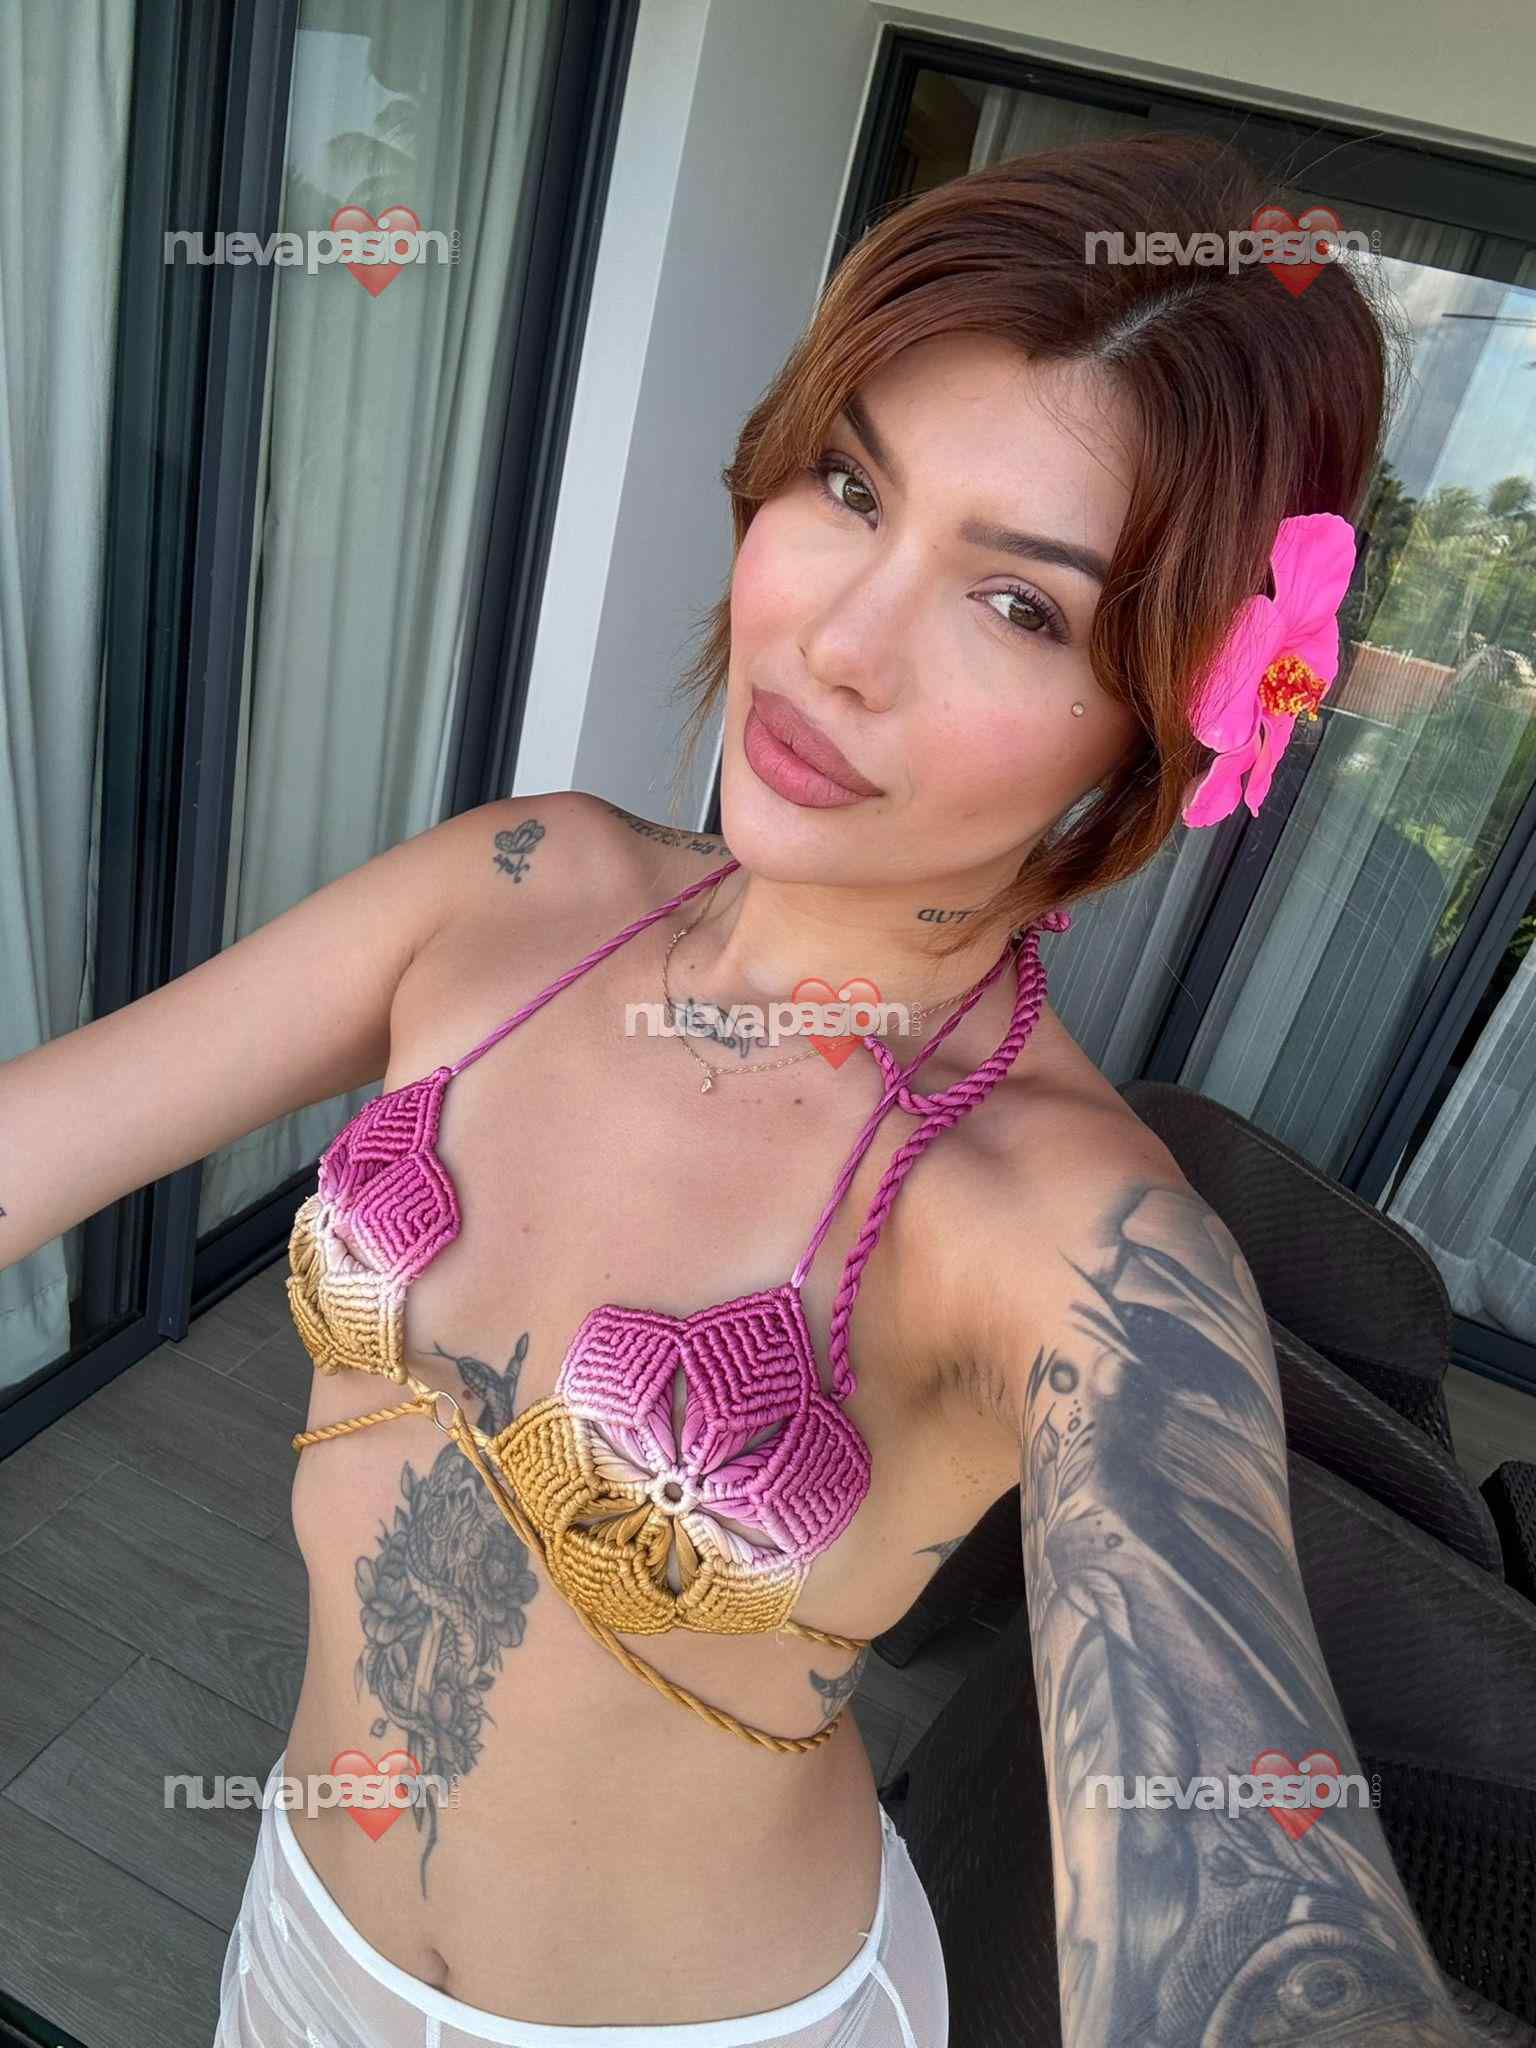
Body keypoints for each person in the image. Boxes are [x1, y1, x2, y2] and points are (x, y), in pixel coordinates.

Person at [1, 131, 1477, 2045]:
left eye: (1020, 605)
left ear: (1166, 720)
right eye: (852, 487)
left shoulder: (1071, 1238)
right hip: (298, 1930)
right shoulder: (516, 888)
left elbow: (1246, 1912)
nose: (837, 642)